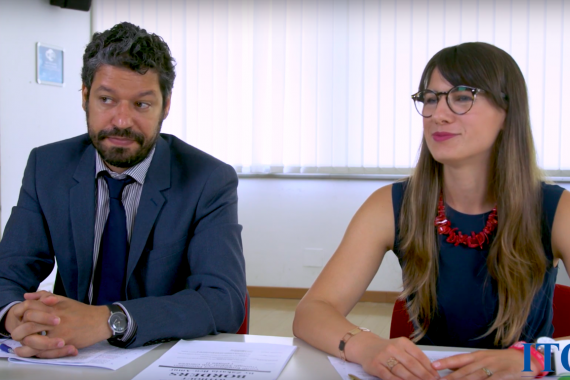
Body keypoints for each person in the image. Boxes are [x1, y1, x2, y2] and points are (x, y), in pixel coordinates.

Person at [293, 42, 570, 379]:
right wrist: (365, 345)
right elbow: (311, 312)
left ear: (507, 112)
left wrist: (534, 359)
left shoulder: (557, 210)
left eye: (463, 97)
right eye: (430, 98)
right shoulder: (390, 204)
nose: (439, 113)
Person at [0, 22, 246, 358]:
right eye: (106, 99)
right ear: (85, 97)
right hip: (68, 356)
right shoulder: (48, 166)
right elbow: (7, 273)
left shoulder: (208, 179)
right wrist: (16, 314)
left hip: (161, 355)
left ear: (166, 105)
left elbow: (224, 300)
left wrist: (108, 320)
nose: (121, 121)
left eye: (141, 105)